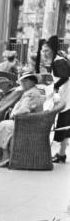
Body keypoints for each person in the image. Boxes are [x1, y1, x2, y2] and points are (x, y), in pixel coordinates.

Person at [0, 72, 44, 167]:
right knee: (3, 123)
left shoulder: (31, 94)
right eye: (22, 81)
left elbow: (24, 110)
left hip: (29, 123)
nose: (23, 83)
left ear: (33, 82)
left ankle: (6, 157)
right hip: (30, 121)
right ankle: (4, 155)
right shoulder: (31, 91)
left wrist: (14, 115)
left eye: (26, 81)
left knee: (3, 125)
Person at [40, 35, 70, 163]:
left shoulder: (58, 61)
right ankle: (62, 154)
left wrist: (55, 88)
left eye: (46, 50)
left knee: (63, 124)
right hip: (66, 96)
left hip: (65, 97)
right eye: (43, 50)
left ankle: (61, 154)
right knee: (65, 125)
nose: (44, 53)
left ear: (52, 50)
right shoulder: (59, 60)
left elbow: (64, 77)